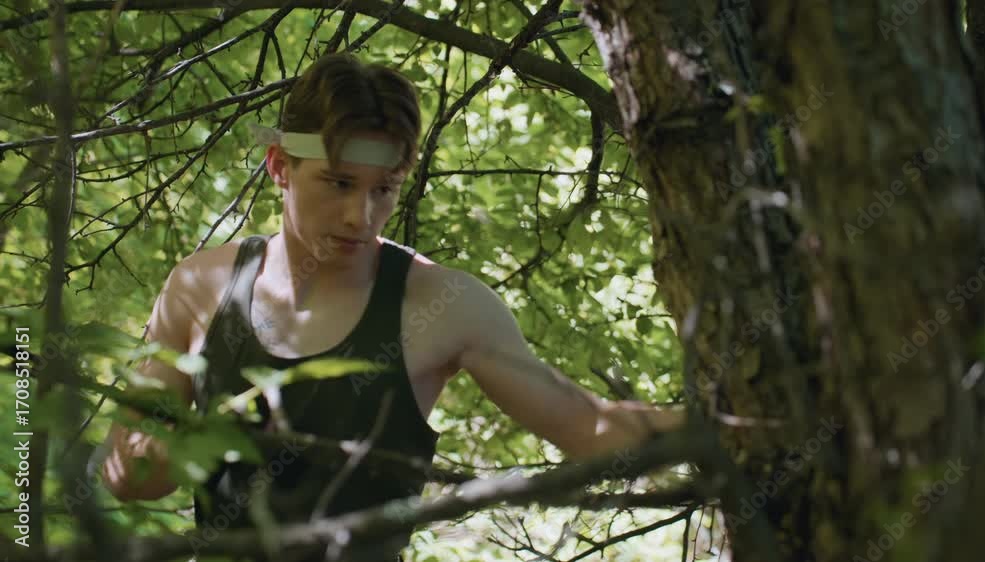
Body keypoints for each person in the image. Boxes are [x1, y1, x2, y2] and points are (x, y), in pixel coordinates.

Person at [100, 52, 685, 561]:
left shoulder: (444, 304)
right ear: (280, 166)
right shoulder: (202, 285)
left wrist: (724, 422)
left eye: (383, 189)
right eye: (339, 183)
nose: (362, 216)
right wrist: (191, 436)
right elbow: (130, 478)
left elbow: (592, 431)